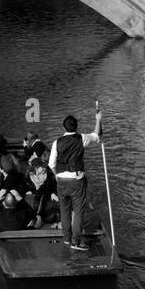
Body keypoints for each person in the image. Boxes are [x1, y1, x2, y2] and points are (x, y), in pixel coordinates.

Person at [48, 104, 103, 251]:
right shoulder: (82, 138)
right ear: (76, 127)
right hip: (76, 181)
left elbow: (51, 163)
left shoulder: (56, 142)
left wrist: (58, 176)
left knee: (64, 209)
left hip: (61, 181)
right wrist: (98, 120)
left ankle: (67, 238)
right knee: (78, 211)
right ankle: (76, 242)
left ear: (64, 128)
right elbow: (97, 135)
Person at [24, 157, 58, 227]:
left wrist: (52, 193)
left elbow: (50, 190)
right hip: (34, 200)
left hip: (45, 198)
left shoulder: (47, 176)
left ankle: (38, 218)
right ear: (36, 168)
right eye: (41, 167)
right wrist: (31, 190)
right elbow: (26, 188)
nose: (44, 168)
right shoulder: (29, 176)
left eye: (44, 166)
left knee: (41, 198)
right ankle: (33, 219)